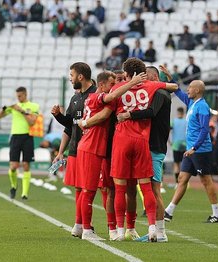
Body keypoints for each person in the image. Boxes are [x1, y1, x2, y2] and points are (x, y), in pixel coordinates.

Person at [83, 58, 178, 241]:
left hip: (121, 140)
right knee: (146, 188)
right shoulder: (150, 85)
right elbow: (173, 87)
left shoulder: (117, 89)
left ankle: (119, 231)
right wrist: (158, 82)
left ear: (126, 73)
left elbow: (107, 103)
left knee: (120, 189)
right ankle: (152, 229)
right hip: (142, 141)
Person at [76, 71, 146, 240]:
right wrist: (85, 123)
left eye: (121, 80)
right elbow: (105, 113)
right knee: (91, 189)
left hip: (102, 147)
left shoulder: (108, 98)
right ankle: (88, 229)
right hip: (93, 147)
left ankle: (90, 228)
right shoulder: (98, 97)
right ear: (102, 85)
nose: (116, 85)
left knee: (97, 189)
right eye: (113, 82)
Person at [117, 65, 173, 242]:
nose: (142, 80)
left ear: (154, 77)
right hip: (147, 145)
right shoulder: (159, 92)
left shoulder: (159, 93)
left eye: (145, 77)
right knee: (144, 188)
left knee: (154, 190)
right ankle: (152, 230)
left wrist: (128, 115)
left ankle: (161, 232)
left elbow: (151, 112)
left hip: (154, 147)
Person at [164, 80, 218, 224]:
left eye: (190, 87)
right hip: (191, 150)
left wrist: (194, 148)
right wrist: (170, 78)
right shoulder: (193, 103)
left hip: (200, 150)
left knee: (206, 180)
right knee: (182, 179)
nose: (188, 90)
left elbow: (205, 130)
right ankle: (169, 212)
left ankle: (217, 214)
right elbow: (179, 92)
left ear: (197, 90)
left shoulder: (202, 106)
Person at [51, 62, 96, 238]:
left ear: (80, 76)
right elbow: (70, 125)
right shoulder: (76, 98)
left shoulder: (95, 95)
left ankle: (111, 228)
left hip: (93, 148)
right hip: (76, 148)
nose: (70, 79)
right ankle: (81, 225)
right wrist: (58, 116)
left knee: (91, 189)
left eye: (71, 75)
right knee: (80, 188)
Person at [0, 87, 39, 200]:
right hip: (15, 137)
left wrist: (22, 111)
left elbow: (32, 122)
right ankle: (13, 186)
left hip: (27, 136)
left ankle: (24, 194)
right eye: (17, 96)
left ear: (25, 94)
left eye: (20, 96)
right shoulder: (14, 107)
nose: (18, 98)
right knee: (13, 166)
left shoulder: (33, 106)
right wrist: (4, 108)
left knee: (26, 165)